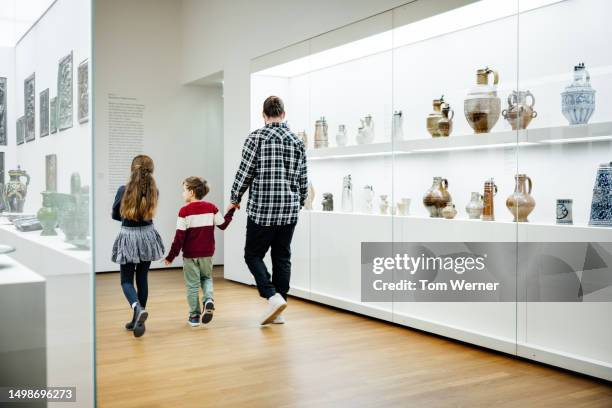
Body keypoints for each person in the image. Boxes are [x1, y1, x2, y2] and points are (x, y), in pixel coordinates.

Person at [229, 95, 308, 325]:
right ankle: (279, 310)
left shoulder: (257, 138)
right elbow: (303, 178)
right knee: (282, 257)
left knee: (252, 254)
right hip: (289, 211)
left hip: (262, 210)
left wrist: (235, 197)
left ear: (264, 115)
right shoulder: (296, 141)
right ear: (283, 114)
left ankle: (272, 297)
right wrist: (299, 201)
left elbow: (245, 172)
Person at [163, 177, 235, 327]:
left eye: (183, 190)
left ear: (191, 191)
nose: (182, 194)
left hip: (190, 256)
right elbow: (223, 225)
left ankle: (194, 317)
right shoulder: (212, 208)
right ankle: (208, 300)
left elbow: (179, 237)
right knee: (206, 278)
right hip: (207, 253)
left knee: (192, 285)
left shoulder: (184, 211)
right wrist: (231, 210)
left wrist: (171, 256)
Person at [112, 155, 165, 338]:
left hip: (129, 236)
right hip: (148, 235)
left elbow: (115, 215)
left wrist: (127, 216)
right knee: (142, 277)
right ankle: (138, 318)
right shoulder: (154, 191)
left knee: (126, 280)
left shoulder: (123, 190)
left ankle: (137, 308)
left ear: (132, 168)